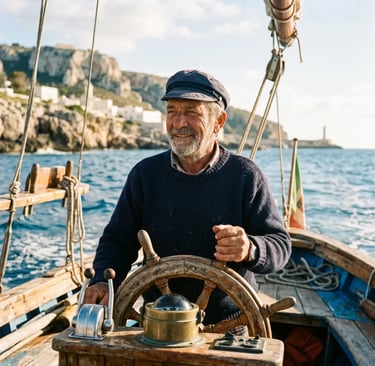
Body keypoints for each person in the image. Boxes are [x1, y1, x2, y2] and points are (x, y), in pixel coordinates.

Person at [83, 69, 291, 330]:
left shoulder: (246, 176)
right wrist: (103, 280)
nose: (179, 122)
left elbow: (280, 245)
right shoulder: (145, 175)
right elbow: (118, 239)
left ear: (219, 121)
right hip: (157, 324)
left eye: (192, 112)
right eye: (172, 111)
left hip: (228, 328)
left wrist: (250, 248)